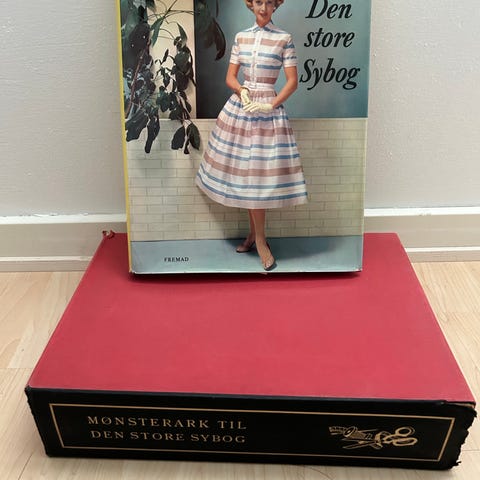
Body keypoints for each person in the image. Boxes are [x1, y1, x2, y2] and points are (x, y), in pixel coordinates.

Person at [196, 0, 307, 271]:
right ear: (251, 4)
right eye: (259, 2)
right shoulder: (241, 37)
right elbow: (231, 78)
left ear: (275, 5)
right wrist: (242, 91)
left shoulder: (283, 39)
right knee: (248, 178)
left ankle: (259, 240)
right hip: (242, 110)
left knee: (258, 179)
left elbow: (292, 81)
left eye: (269, 2)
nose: (263, 8)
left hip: (267, 113)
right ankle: (255, 236)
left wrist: (271, 104)